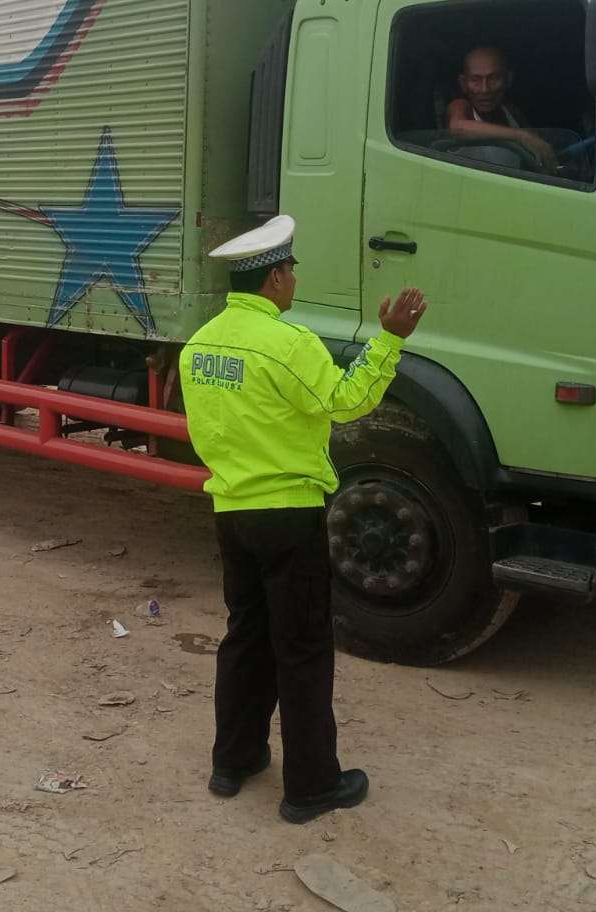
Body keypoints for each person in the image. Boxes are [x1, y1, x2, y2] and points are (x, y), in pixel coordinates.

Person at [179, 214, 427, 824]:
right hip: (287, 514)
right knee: (304, 648)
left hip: (231, 510)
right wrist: (389, 339)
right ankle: (311, 786)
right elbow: (347, 401)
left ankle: (233, 761)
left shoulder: (199, 345)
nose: (293, 281)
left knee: (246, 637)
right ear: (276, 279)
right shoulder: (288, 344)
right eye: (290, 271)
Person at [445, 45, 557, 168]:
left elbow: (535, 146)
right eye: (475, 80)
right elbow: (458, 127)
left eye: (494, 78)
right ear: (463, 83)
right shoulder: (461, 106)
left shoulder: (511, 112)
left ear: (508, 79)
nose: (485, 89)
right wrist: (520, 136)